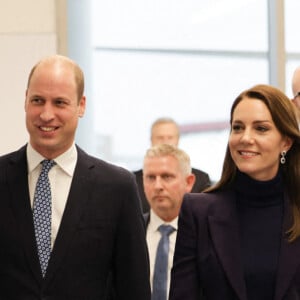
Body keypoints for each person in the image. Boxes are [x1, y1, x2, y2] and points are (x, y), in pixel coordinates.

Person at [0, 55, 151, 300]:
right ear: (25, 100)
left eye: (60, 102)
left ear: (81, 105)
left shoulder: (117, 187)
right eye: (38, 100)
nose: (47, 115)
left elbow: (134, 288)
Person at [169, 84, 300, 300]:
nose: (245, 138)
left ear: (286, 142)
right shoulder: (197, 212)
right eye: (238, 127)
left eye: (261, 128)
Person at [143, 143, 195, 300]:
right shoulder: (130, 232)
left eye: (166, 177)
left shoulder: (205, 236)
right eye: (151, 177)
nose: (158, 186)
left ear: (189, 182)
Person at [134, 117, 211, 213]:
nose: (165, 142)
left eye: (170, 137)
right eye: (160, 138)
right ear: (151, 140)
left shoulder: (200, 179)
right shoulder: (133, 181)